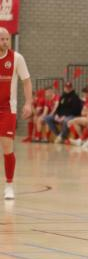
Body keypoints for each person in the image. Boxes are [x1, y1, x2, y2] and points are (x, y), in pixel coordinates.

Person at [0, 27, 33, 200]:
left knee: (7, 147)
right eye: (2, 39)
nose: (5, 42)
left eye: (7, 39)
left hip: (7, 110)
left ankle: (9, 185)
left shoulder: (17, 58)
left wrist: (28, 102)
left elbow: (26, 81)